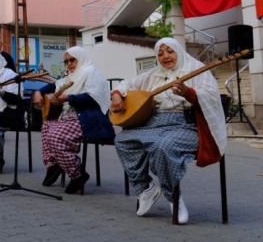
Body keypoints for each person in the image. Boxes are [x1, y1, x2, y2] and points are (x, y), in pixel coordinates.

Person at [110, 38, 227, 224]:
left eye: (170, 51)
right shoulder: (153, 75)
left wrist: (187, 92)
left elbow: (211, 97)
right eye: (160, 53)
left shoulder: (197, 69)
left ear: (179, 52)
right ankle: (144, 188)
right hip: (154, 123)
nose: (165, 56)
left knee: (163, 146)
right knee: (123, 140)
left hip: (187, 125)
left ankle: (174, 197)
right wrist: (116, 94)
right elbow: (126, 84)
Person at [32, 47, 115, 194]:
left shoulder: (92, 73)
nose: (69, 64)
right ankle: (53, 164)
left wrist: (68, 98)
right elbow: (54, 85)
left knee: (55, 136)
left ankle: (78, 174)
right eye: (66, 61)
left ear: (81, 58)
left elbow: (92, 97)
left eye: (72, 60)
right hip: (69, 116)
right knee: (46, 127)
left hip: (87, 118)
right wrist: (39, 92)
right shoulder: (70, 76)